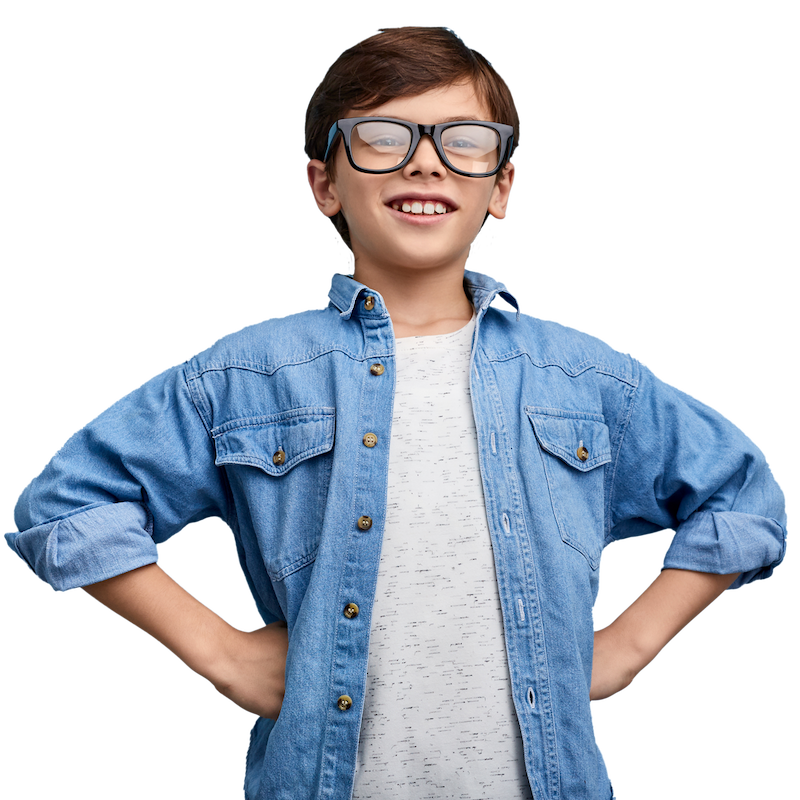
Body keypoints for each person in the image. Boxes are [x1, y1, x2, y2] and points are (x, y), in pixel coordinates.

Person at [4, 25, 788, 800]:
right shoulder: (249, 375)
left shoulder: (583, 376)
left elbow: (746, 494)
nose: (424, 159)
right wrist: (223, 653)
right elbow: (66, 504)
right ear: (324, 185)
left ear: (502, 186)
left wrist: (625, 645)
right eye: (383, 137)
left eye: (465, 140)